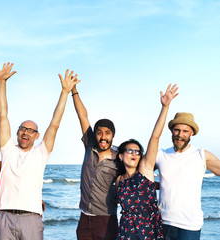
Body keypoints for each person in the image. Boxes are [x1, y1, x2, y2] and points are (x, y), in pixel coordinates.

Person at [0, 62, 79, 239]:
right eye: (22, 129)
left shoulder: (40, 153)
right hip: (5, 217)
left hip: (31, 219)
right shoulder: (7, 149)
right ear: (17, 132)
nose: (26, 132)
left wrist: (64, 92)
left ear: (37, 135)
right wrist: (2, 83)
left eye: (31, 131)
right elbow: (3, 115)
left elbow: (54, 124)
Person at [116, 84, 179, 239]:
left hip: (149, 231)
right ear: (121, 156)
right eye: (130, 151)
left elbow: (155, 137)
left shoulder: (145, 168)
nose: (134, 154)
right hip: (125, 231)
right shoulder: (119, 180)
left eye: (138, 152)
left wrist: (165, 107)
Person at [156, 111, 220, 239]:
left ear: (191, 133)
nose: (180, 135)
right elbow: (140, 174)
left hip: (189, 226)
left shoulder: (201, 155)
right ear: (171, 131)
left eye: (185, 131)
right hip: (163, 223)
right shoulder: (160, 155)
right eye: (177, 130)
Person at [71, 84, 119, 239]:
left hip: (106, 220)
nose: (103, 137)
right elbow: (82, 116)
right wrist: (73, 90)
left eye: (107, 133)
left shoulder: (119, 157)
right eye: (99, 133)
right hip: (84, 218)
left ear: (112, 136)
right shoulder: (90, 145)